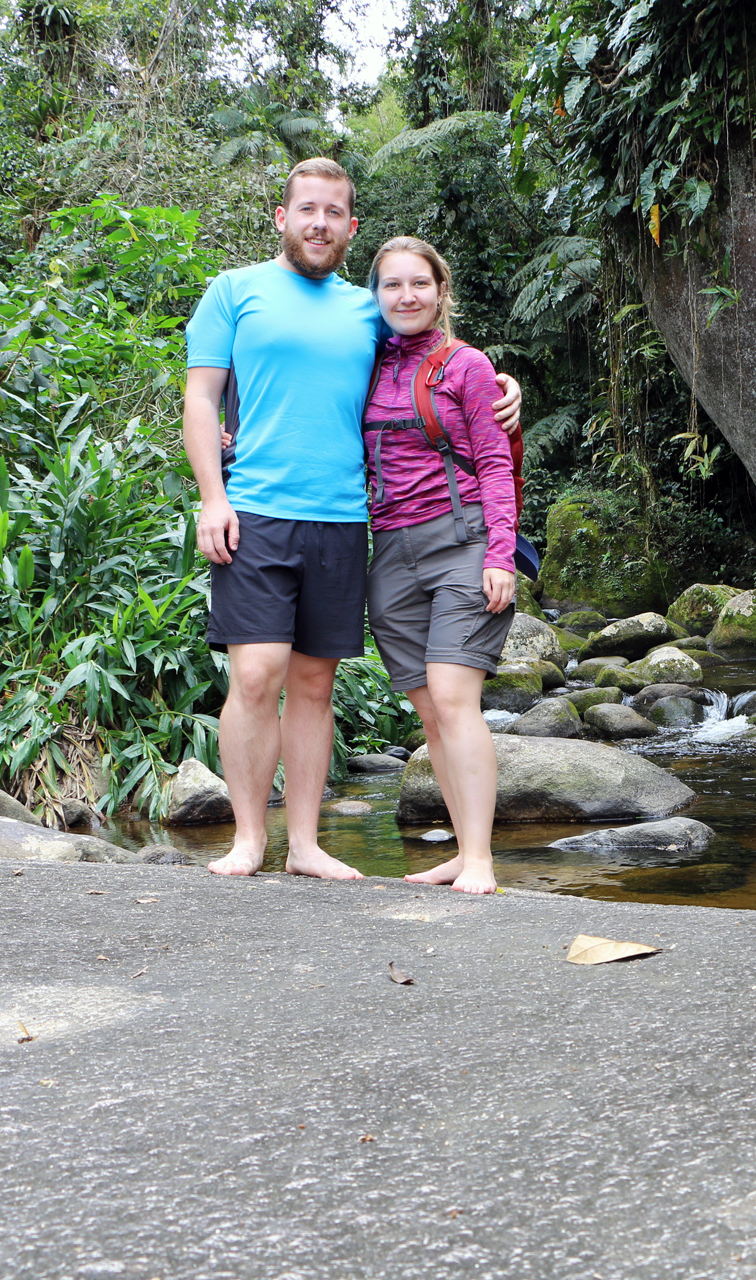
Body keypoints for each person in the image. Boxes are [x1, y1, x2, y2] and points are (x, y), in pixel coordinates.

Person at [181, 158, 521, 878]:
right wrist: (213, 495)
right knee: (255, 674)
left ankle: (304, 845)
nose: (319, 223)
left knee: (313, 683)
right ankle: (250, 838)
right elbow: (203, 399)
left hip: (343, 520)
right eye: (306, 209)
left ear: (350, 226)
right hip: (255, 510)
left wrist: (504, 388)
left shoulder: (367, 309)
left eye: (334, 213)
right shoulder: (234, 291)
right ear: (282, 217)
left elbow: (435, 358)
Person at [361, 237, 517, 895]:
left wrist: (501, 553)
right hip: (391, 553)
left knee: (456, 703)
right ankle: (459, 851)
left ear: (441, 291)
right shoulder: (365, 365)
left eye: (418, 284)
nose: (406, 296)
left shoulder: (468, 365)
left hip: (463, 542)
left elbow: (494, 460)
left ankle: (479, 858)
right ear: (376, 297)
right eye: (392, 285)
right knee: (430, 717)